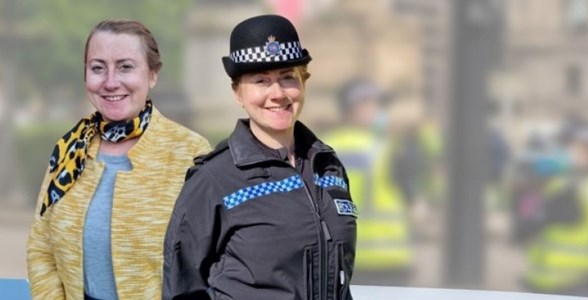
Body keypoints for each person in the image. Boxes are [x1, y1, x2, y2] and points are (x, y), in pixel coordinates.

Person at [162, 15, 357, 300]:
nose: (277, 93)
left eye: (287, 77)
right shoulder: (213, 180)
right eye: (261, 81)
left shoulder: (328, 167)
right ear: (238, 93)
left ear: (303, 82)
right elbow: (182, 288)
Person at [26, 19, 211, 300]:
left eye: (125, 67)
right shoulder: (69, 148)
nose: (111, 82)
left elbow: (208, 261)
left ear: (152, 74)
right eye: (98, 68)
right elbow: (41, 248)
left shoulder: (189, 152)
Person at [324, 79, 413, 285]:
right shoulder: (385, 148)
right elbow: (409, 193)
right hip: (388, 258)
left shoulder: (325, 147)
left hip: (339, 256)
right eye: (373, 105)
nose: (380, 112)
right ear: (354, 108)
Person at [523, 120, 588, 297]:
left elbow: (532, 221)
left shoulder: (573, 188)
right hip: (581, 277)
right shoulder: (576, 184)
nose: (571, 153)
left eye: (576, 149)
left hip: (562, 279)